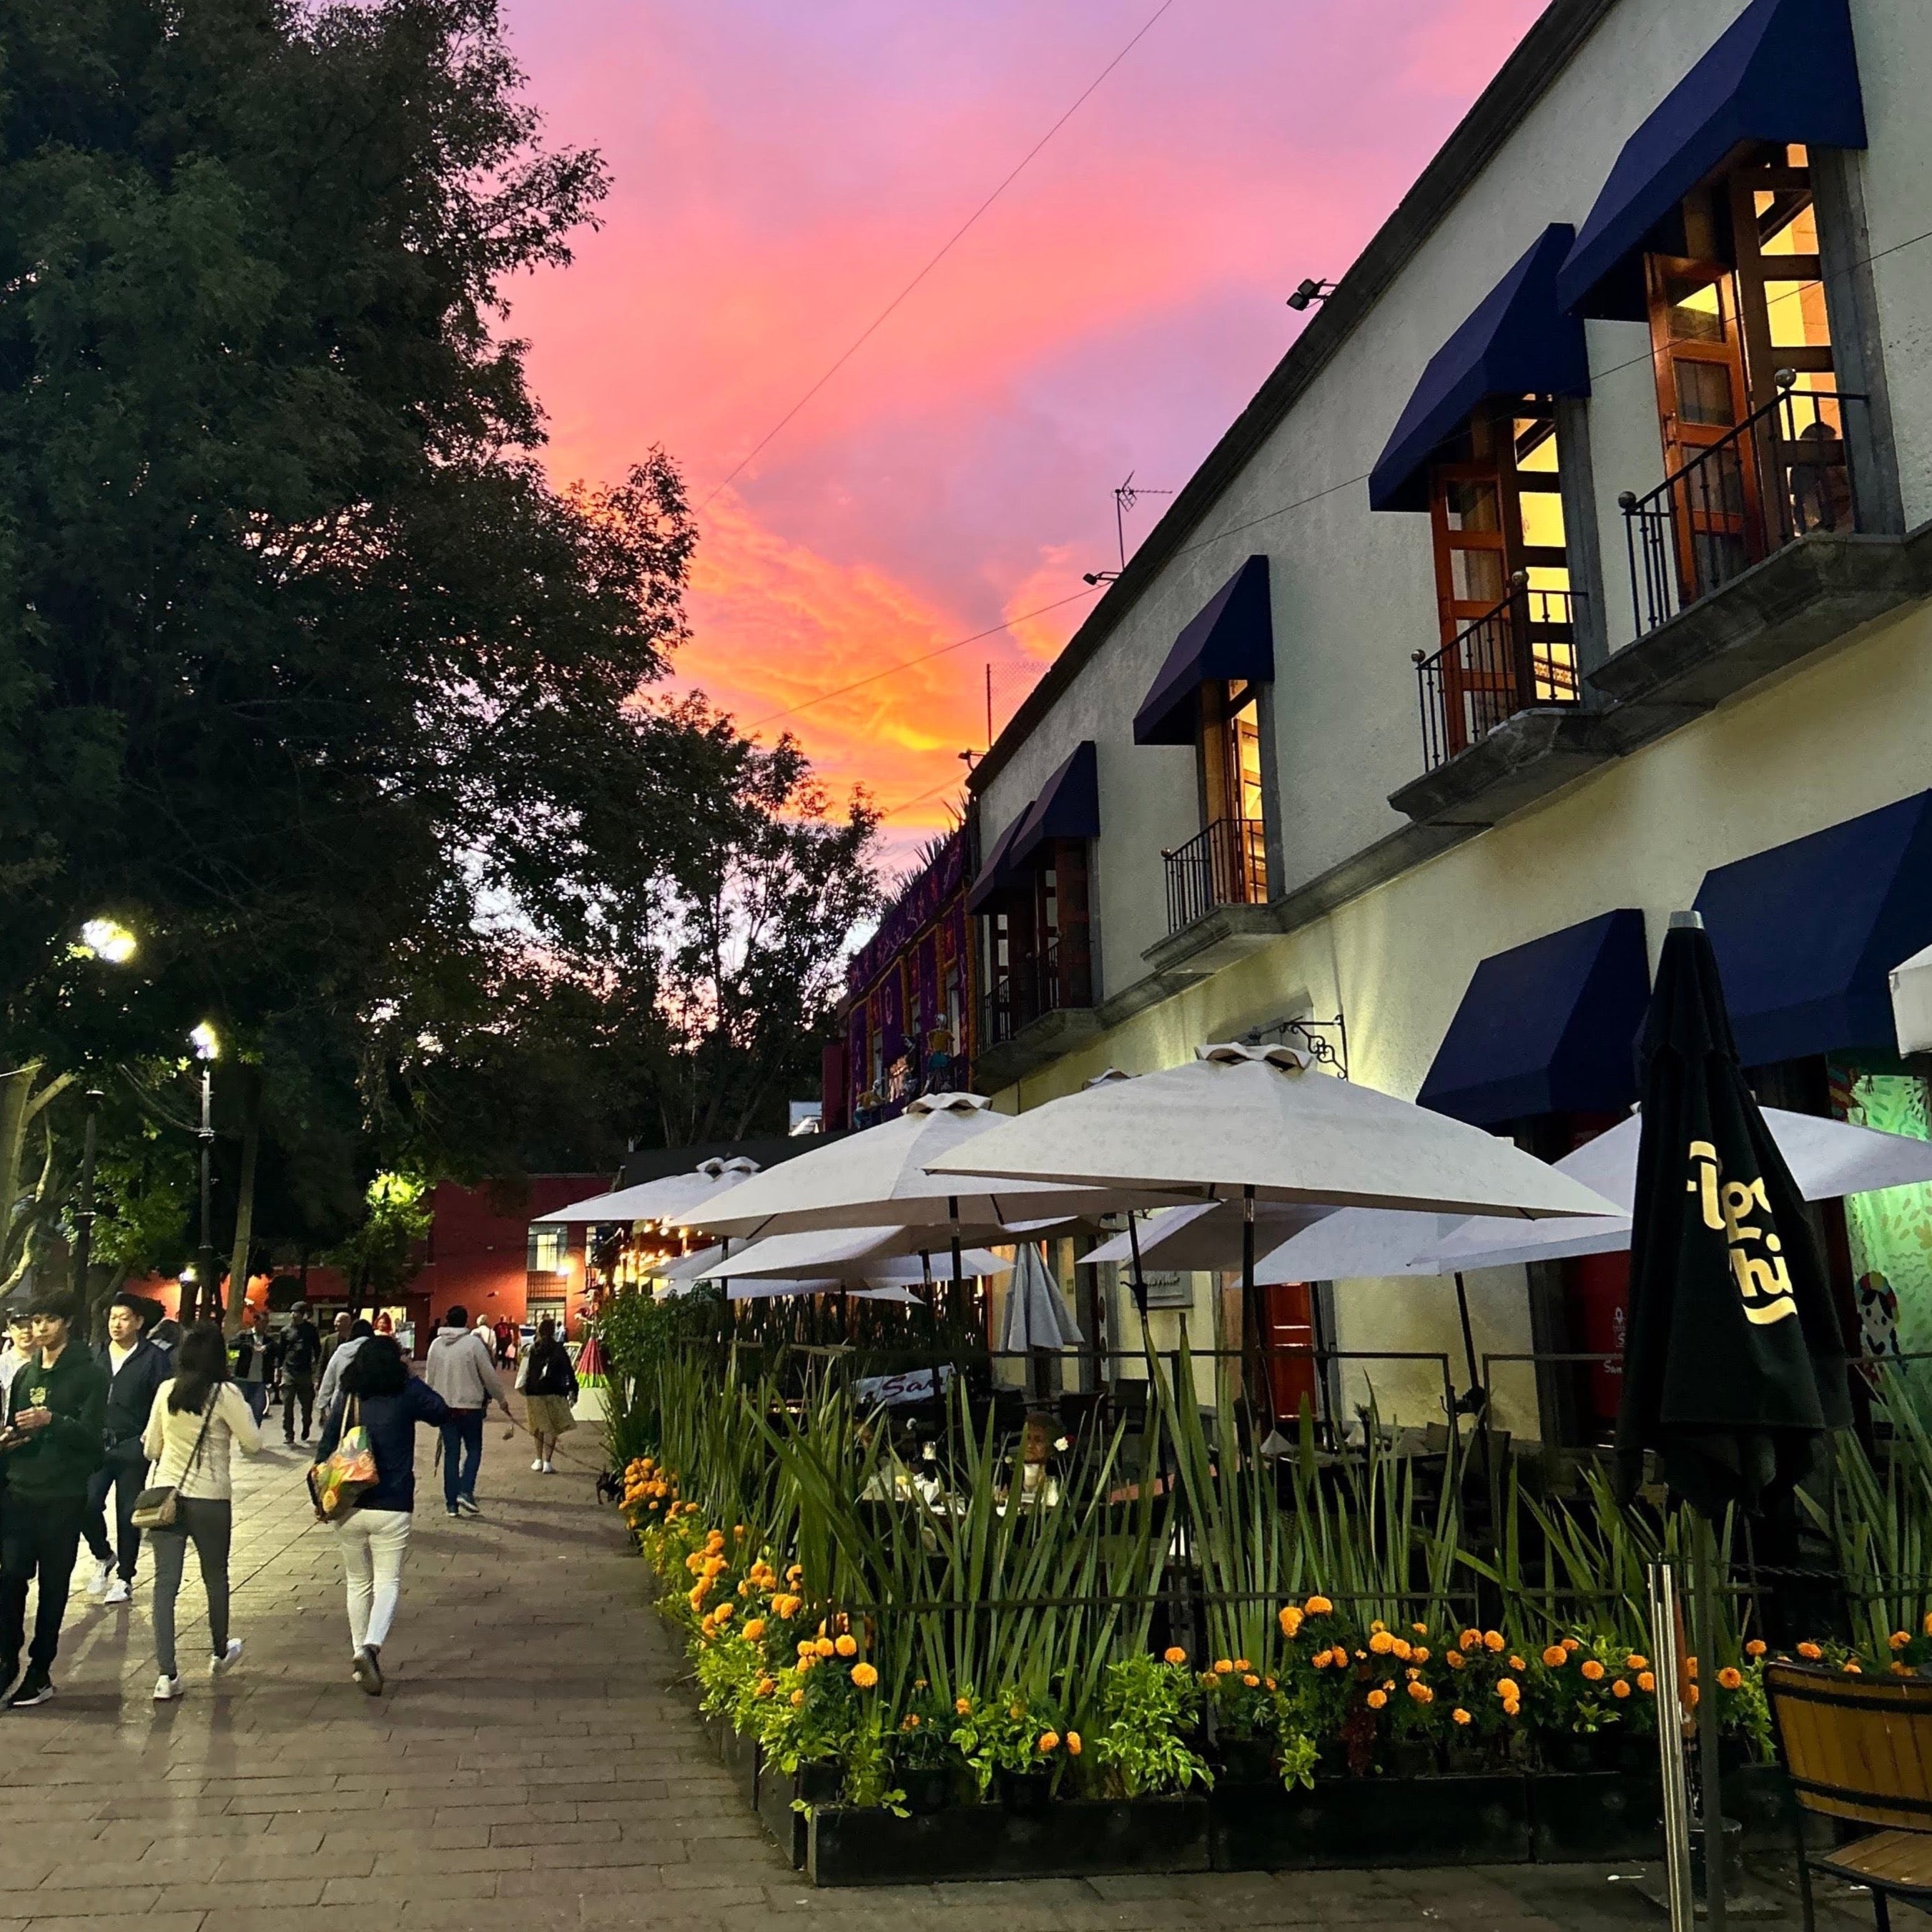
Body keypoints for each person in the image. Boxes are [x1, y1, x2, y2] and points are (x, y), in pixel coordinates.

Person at [312, 1334, 449, 1695]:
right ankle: (371, 1648)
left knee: (358, 1582)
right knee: (387, 1581)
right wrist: (412, 1376)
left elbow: (327, 1445)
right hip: (393, 1502)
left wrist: (318, 1496)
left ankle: (359, 1657)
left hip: (348, 1503)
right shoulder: (406, 1390)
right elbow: (440, 1410)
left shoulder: (349, 1394)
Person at [0, 1293, 108, 1707]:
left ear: (67, 1323)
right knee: (9, 1579)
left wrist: (53, 1421)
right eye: (35, 1321)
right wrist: (10, 1438)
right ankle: (7, 1660)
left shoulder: (90, 1375)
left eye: (48, 1321)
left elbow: (94, 1441)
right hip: (19, 1492)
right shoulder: (25, 1374)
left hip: (63, 1497)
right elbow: (17, 1425)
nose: (39, 1329)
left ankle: (40, 1671)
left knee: (53, 1587)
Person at [142, 1323, 260, 1699]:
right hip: (210, 1499)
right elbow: (254, 1443)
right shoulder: (226, 1393)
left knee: (165, 1586)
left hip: (167, 1498)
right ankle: (220, 1650)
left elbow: (151, 1449)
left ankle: (166, 1675)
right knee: (216, 1577)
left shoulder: (166, 1391)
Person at [82, 1295, 172, 1605]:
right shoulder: (96, 1355)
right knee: (87, 1502)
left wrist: (154, 1438)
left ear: (138, 1322)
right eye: (112, 1318)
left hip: (133, 1444)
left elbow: (163, 1402)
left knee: (127, 1513)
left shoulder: (153, 1358)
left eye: (123, 1318)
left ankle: (125, 1577)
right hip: (97, 1444)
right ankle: (103, 1555)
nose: (116, 1324)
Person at [423, 1306, 508, 1518]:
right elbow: (488, 1375)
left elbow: (429, 1377)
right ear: (466, 1321)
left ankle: (451, 1504)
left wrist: (429, 1404)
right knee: (474, 1450)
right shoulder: (473, 1344)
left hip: (445, 1408)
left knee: (451, 1454)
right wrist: (501, 1399)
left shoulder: (436, 1345)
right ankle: (466, 1490)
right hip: (470, 1407)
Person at [520, 1317, 579, 1474]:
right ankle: (548, 1462)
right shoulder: (559, 1349)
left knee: (537, 1425)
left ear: (538, 1331)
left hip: (534, 1392)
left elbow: (525, 1371)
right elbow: (569, 1370)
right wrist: (574, 1389)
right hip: (555, 1391)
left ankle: (538, 1459)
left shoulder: (532, 1348)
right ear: (553, 1332)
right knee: (551, 1427)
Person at [279, 1305, 322, 1444]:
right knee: (287, 1405)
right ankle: (288, 1434)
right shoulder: (285, 1331)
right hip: (288, 1371)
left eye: (296, 1312)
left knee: (307, 1404)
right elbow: (281, 1353)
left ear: (303, 1314)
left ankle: (306, 1426)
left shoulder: (310, 1330)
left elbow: (317, 1350)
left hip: (305, 1372)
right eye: (291, 1312)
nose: (293, 1315)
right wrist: (278, 1371)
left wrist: (317, 1370)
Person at [315, 1317, 373, 1418]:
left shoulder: (342, 1351)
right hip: (372, 1404)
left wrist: (322, 1403)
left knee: (337, 1432)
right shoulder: (377, 1349)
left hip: (342, 1402)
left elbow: (329, 1378)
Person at [232, 1308, 270, 1426]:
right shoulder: (244, 1335)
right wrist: (249, 1347)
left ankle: (254, 1434)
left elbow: (277, 1351)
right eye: (263, 1322)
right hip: (243, 1379)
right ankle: (243, 1437)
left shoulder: (268, 1339)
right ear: (256, 1322)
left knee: (258, 1411)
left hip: (260, 1380)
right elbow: (232, 1345)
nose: (265, 1326)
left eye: (266, 1323)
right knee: (242, 1411)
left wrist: (267, 1348)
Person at [0, 1307, 33, 1419]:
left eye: (30, 1326)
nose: (26, 1331)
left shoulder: (50, 1361)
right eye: (20, 1327)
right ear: (9, 1331)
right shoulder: (2, 1364)